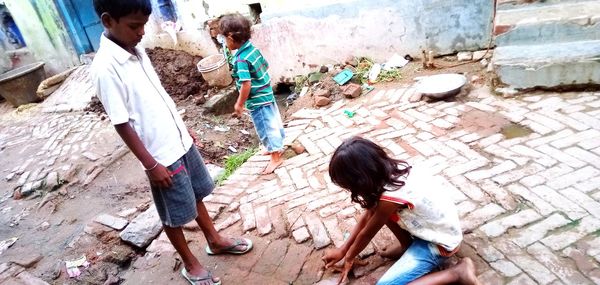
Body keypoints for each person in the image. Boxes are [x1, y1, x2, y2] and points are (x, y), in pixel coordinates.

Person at [91, 1, 252, 284]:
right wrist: (151, 164)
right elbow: (121, 122)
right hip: (159, 154)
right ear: (108, 20)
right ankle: (190, 263)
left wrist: (182, 128)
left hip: (178, 139)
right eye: (134, 26)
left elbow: (157, 97)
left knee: (197, 193)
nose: (142, 32)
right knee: (173, 214)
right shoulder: (106, 68)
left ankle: (214, 240)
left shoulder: (137, 50)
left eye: (143, 25)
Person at [322, 137, 481, 285]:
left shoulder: (390, 198)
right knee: (380, 211)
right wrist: (343, 250)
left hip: (440, 243)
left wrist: (349, 257)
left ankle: (457, 273)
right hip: (435, 228)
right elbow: (369, 215)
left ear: (360, 179)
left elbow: (367, 233)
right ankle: (407, 246)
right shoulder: (393, 171)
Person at [219, 13, 285, 175]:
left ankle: (275, 156)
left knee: (265, 127)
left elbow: (246, 83)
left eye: (224, 39)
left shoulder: (240, 60)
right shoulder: (253, 49)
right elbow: (265, 65)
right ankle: (276, 147)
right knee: (274, 121)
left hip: (257, 100)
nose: (224, 43)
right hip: (267, 93)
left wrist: (240, 103)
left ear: (231, 37)